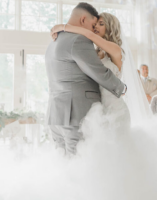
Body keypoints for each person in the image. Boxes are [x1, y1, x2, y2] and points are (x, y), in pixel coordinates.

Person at [46, 3, 126, 155]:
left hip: (58, 114)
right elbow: (99, 73)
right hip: (77, 114)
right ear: (83, 20)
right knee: (80, 165)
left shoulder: (53, 42)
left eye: (100, 25)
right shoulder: (79, 41)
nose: (94, 29)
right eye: (94, 24)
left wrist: (63, 27)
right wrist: (122, 88)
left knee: (67, 163)